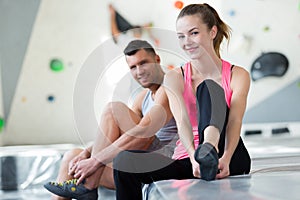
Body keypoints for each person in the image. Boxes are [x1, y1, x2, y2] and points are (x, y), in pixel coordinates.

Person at [113, 3, 251, 200]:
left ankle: (209, 148)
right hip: (189, 160)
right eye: (181, 36)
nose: (187, 42)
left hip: (229, 155)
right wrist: (194, 159)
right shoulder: (174, 77)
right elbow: (182, 121)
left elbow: (235, 121)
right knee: (124, 160)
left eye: (194, 33)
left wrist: (226, 158)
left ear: (212, 32)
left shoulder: (238, 75)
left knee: (209, 88)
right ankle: (203, 156)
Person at [43, 40, 178, 200]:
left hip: (161, 162)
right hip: (133, 162)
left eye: (143, 63)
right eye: (133, 67)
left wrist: (95, 161)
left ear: (157, 59)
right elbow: (126, 135)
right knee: (72, 156)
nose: (139, 71)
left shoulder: (169, 86)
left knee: (113, 109)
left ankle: (88, 187)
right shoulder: (142, 98)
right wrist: (88, 152)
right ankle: (83, 190)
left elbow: (144, 135)